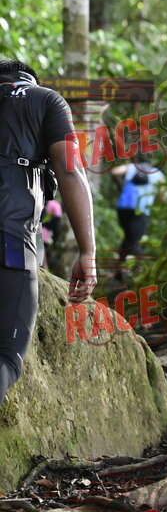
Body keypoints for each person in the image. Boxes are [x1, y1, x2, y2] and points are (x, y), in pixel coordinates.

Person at [0, 60, 96, 407]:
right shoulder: (45, 100)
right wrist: (88, 252)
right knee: (7, 356)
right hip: (10, 239)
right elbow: (70, 171)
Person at [111, 152, 165, 280]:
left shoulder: (132, 167)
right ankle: (136, 273)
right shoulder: (158, 174)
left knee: (129, 238)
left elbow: (115, 171)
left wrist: (121, 185)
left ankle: (121, 271)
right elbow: (163, 196)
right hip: (141, 210)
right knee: (135, 240)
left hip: (123, 206)